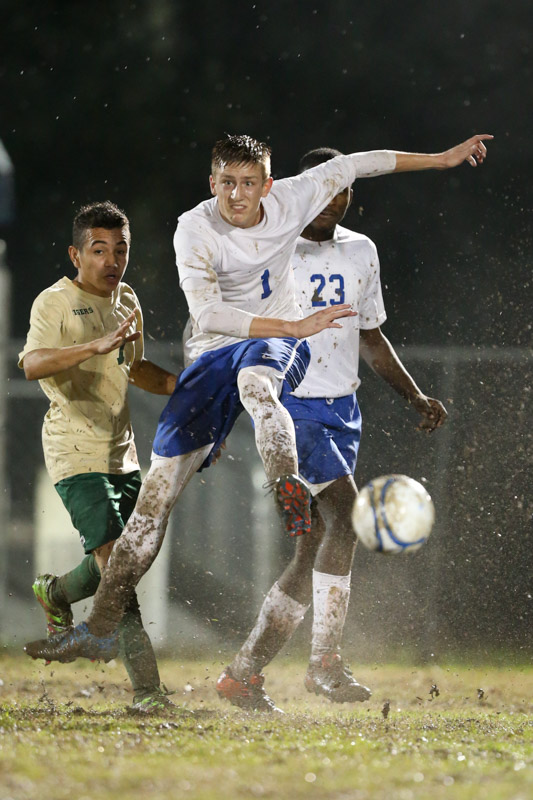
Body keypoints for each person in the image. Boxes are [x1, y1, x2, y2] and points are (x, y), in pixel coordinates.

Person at [24, 131, 492, 666]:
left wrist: (441, 158)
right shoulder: (194, 229)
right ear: (212, 183)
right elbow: (209, 316)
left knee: (258, 383)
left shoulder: (296, 196)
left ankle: (284, 481)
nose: (237, 196)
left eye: (249, 183)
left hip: (276, 343)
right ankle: (101, 626)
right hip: (215, 351)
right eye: (227, 183)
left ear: (269, 185)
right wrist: (291, 325)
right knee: (154, 498)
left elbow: (363, 162)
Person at [215, 147, 449, 712]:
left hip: (344, 411)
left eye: (341, 190)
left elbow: (370, 337)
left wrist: (412, 394)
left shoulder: (361, 252)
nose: (330, 199)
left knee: (313, 546)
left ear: (348, 195)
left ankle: (242, 674)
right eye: (321, 188)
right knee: (346, 514)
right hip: (292, 405)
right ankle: (324, 663)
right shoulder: (270, 245)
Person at [21, 201, 179, 713]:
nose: (112, 260)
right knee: (119, 570)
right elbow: (32, 363)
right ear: (76, 254)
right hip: (74, 451)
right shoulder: (54, 303)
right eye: (99, 249)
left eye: (121, 250)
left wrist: (186, 389)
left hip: (123, 455)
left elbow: (136, 369)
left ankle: (59, 593)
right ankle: (149, 694)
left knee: (123, 564)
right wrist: (93, 347)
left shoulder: (128, 298)